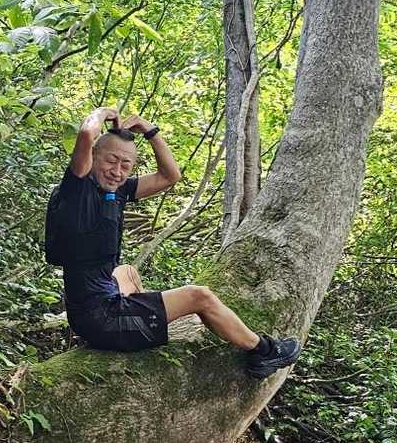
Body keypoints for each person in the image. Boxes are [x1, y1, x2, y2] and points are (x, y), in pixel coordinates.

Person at [45, 106, 301, 378]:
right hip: (101, 320)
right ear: (93, 156)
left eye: (125, 165)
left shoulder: (116, 190)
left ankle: (146, 312)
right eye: (111, 160)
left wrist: (151, 131)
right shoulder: (79, 188)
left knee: (126, 272)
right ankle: (264, 351)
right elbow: (87, 133)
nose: (117, 171)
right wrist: (104, 112)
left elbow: (170, 176)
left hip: (96, 303)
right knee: (200, 296)